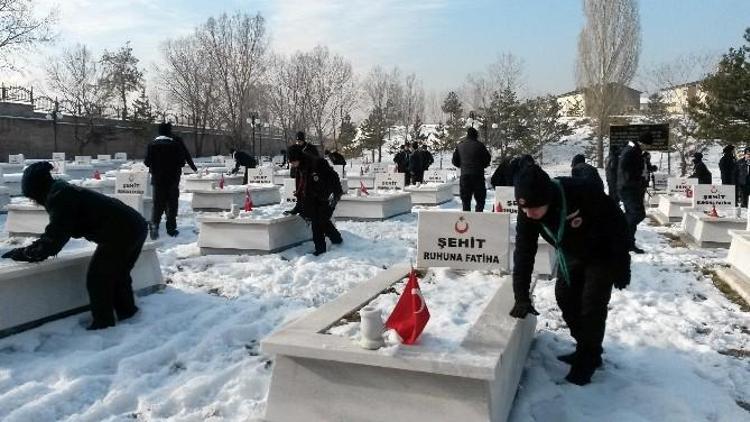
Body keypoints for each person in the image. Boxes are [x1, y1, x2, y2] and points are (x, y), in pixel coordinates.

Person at [509, 164, 630, 385]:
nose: (529, 214)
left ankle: (587, 362)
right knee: (565, 297)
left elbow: (618, 224)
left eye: (535, 208)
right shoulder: (527, 210)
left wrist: (623, 264)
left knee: (591, 306)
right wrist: (521, 296)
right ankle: (586, 347)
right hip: (572, 254)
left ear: (548, 198)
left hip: (602, 253)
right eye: (524, 209)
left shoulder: (582, 191)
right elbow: (524, 253)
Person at [2, 162, 148, 330]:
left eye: (32, 197)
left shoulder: (60, 197)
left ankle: (104, 325)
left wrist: (25, 253)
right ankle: (128, 314)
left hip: (121, 232)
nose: (34, 201)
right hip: (134, 226)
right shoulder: (63, 191)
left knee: (98, 279)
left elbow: (54, 239)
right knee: (118, 274)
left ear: (37, 190)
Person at [284, 145, 343, 256]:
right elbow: (300, 188)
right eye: (291, 162)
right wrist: (297, 206)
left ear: (299, 157)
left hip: (325, 196)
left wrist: (335, 196)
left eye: (293, 161)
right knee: (322, 221)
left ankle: (320, 251)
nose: (292, 164)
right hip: (312, 198)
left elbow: (334, 177)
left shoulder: (317, 163)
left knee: (317, 224)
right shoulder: (298, 167)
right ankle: (337, 240)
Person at [145, 122, 197, 239]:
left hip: (157, 180)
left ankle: (155, 225)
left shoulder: (152, 144)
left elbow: (146, 162)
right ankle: (171, 229)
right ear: (169, 131)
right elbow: (182, 161)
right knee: (172, 204)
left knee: (157, 204)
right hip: (172, 179)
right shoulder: (175, 144)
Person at [617, 133, 652, 254]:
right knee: (638, 214)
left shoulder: (636, 151)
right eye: (647, 146)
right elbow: (624, 166)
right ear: (642, 143)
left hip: (632, 187)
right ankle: (621, 232)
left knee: (632, 214)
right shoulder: (631, 150)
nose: (647, 149)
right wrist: (636, 178)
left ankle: (629, 243)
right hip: (628, 188)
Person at [452, 127, 491, 211]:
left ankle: (467, 217)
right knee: (480, 199)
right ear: (476, 135)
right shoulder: (480, 145)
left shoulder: (460, 145)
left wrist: (462, 166)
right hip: (478, 175)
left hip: (465, 175)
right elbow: (487, 159)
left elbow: (454, 161)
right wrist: (482, 166)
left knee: (466, 200)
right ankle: (478, 215)